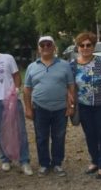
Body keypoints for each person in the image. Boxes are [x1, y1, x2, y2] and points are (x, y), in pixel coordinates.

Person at [0, 35, 33, 175]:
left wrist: (16, 89)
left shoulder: (8, 58)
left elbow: (16, 76)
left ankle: (24, 160)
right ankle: (5, 159)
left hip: (11, 99)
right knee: (0, 131)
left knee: (20, 130)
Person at [23, 36, 74, 177]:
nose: (45, 47)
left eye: (48, 44)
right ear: (39, 48)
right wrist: (27, 108)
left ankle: (57, 164)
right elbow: (27, 89)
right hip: (39, 108)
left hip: (60, 108)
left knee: (59, 136)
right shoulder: (31, 67)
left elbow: (71, 86)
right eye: (42, 45)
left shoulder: (65, 65)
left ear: (54, 47)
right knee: (41, 137)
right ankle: (44, 164)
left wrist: (71, 105)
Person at [70, 32, 101, 179]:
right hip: (84, 106)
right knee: (90, 135)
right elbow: (70, 87)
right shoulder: (72, 66)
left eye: (88, 45)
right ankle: (95, 161)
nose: (85, 48)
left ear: (93, 46)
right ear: (78, 47)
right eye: (82, 45)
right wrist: (71, 104)